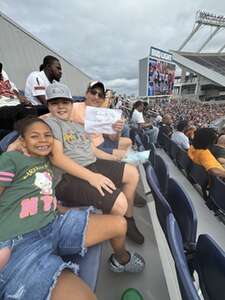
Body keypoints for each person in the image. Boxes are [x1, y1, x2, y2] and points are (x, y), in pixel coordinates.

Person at [0, 117, 145, 300]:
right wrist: (11, 148)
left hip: (53, 223)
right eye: (35, 136)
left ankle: (121, 260)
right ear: (22, 140)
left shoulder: (48, 162)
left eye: (47, 135)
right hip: (19, 242)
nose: (43, 140)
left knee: (119, 224)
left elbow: (44, 198)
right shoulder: (10, 159)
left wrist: (65, 211)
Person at [44, 82, 144, 244]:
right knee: (120, 204)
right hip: (70, 175)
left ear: (71, 103)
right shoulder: (51, 123)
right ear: (48, 106)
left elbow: (91, 149)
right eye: (55, 103)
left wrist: (113, 159)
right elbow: (56, 157)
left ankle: (129, 219)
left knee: (132, 171)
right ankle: (116, 228)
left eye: (65, 102)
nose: (61, 107)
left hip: (92, 160)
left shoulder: (76, 124)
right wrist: (93, 177)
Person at [70, 81, 132, 160]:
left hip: (101, 142)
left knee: (128, 141)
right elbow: (52, 116)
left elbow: (113, 138)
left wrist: (117, 131)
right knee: (124, 155)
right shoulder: (74, 107)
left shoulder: (101, 112)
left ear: (103, 99)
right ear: (86, 94)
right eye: (93, 92)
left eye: (100, 95)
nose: (96, 97)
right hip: (90, 147)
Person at [0, 63, 37, 136]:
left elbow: (12, 87)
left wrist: (21, 97)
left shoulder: (3, 72)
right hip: (3, 106)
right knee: (26, 112)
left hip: (16, 103)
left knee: (45, 108)